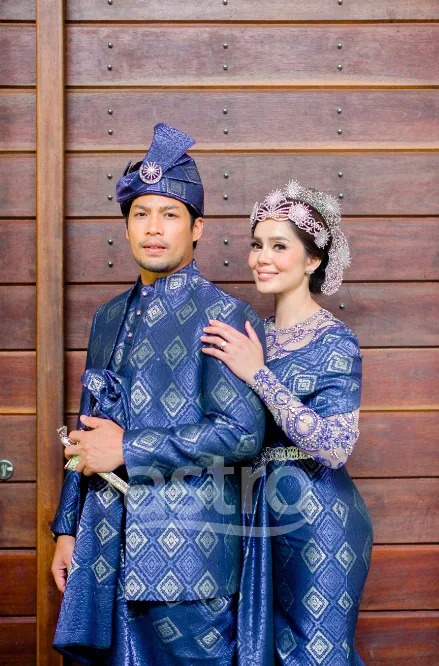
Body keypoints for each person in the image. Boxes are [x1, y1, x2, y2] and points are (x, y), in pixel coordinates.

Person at [50, 123, 266, 665]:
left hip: (189, 557)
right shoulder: (106, 319)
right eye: (141, 213)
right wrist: (66, 529)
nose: (153, 227)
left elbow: (241, 434)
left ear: (197, 229)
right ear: (126, 227)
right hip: (104, 547)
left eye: (169, 214)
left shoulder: (226, 314)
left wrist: (128, 447)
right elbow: (86, 430)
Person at [201, 180, 373, 665]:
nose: (262, 258)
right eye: (257, 245)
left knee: (315, 655)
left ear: (312, 260)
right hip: (258, 515)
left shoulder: (336, 341)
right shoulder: (253, 336)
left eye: (279, 246)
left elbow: (335, 447)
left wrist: (258, 375)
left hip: (320, 521)